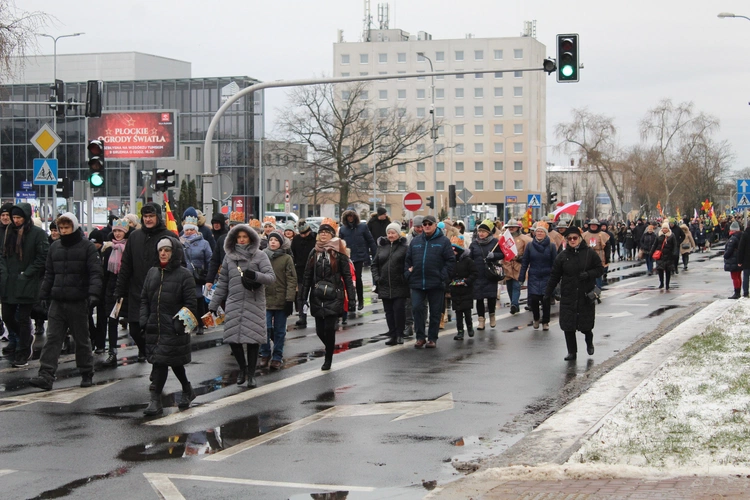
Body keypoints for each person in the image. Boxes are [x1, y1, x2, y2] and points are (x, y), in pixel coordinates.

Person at [29, 213, 102, 390]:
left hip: (78, 300)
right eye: (61, 228)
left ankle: (86, 371)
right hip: (58, 301)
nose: (63, 231)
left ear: (74, 227)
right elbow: (49, 274)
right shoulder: (55, 248)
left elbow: (95, 272)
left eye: (66, 228)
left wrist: (93, 294)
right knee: (52, 338)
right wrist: (43, 295)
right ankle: (46, 374)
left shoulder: (87, 247)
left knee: (81, 339)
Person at [209, 224, 276, 387]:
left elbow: (271, 278)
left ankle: (251, 374)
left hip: (254, 302)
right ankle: (243, 368)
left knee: (253, 341)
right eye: (239, 237)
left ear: (251, 238)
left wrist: (256, 275)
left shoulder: (260, 256)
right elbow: (223, 282)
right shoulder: (229, 257)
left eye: (244, 237)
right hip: (234, 302)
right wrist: (214, 304)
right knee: (233, 339)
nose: (241, 240)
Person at [140, 236, 197, 415]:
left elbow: (190, 304)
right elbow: (144, 298)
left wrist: (178, 324)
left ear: (175, 253)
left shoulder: (184, 275)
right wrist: (143, 319)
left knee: (161, 362)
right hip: (154, 327)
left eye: (167, 250)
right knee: (171, 361)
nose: (163, 253)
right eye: (161, 250)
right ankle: (187, 389)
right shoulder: (152, 273)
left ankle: (155, 400)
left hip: (173, 328)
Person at [114, 203, 175, 362]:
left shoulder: (168, 237)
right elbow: (126, 264)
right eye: (145, 216)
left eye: (151, 216)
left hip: (160, 292)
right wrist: (119, 290)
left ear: (158, 217)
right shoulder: (135, 236)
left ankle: (156, 367)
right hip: (137, 292)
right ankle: (149, 354)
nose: (148, 219)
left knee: (156, 333)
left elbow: (177, 265)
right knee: (135, 330)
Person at [301, 219, 356, 370]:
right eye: (321, 232)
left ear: (332, 235)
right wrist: (303, 298)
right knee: (319, 330)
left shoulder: (338, 251)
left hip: (334, 296)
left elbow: (347, 277)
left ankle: (328, 358)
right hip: (317, 295)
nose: (323, 235)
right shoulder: (314, 251)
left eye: (326, 232)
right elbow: (307, 276)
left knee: (329, 329)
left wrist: (351, 298)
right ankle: (330, 348)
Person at [0, 203, 49, 368]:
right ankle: (25, 338)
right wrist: (4, 273)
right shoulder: (8, 232)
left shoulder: (37, 234)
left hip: (27, 282)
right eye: (14, 217)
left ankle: (22, 350)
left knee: (23, 318)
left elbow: (42, 256)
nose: (16, 220)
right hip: (9, 282)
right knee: (7, 316)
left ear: (26, 217)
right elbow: (2, 255)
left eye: (19, 217)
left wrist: (27, 273)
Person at [544, 226, 604, 361]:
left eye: (574, 238)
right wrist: (548, 293)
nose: (572, 240)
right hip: (568, 295)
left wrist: (588, 274)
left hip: (585, 295)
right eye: (569, 238)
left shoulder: (589, 253)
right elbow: (554, 276)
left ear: (580, 238)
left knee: (586, 326)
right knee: (568, 326)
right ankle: (572, 352)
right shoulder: (562, 256)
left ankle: (589, 342)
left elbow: (600, 269)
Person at [405, 215, 454, 348]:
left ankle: (432, 338)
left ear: (435, 225)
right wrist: (408, 273)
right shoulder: (416, 241)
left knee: (435, 311)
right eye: (424, 224)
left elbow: (450, 261)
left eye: (429, 224)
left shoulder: (443, 241)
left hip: (435, 282)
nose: (426, 226)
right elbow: (408, 259)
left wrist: (442, 275)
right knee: (417, 309)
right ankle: (420, 337)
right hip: (417, 281)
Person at [260, 231, 296, 370]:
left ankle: (277, 357)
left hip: (281, 299)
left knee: (280, 331)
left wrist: (289, 299)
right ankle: (265, 353)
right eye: (271, 239)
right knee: (265, 328)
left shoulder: (287, 258)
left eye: (276, 240)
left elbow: (291, 279)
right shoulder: (262, 256)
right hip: (264, 299)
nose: (273, 242)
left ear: (281, 243)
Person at [371, 222, 409, 345]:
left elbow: (409, 264)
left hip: (399, 284)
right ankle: (392, 334)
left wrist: (404, 276)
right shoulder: (382, 247)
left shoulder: (404, 248)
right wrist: (377, 278)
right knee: (389, 312)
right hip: (384, 284)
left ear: (398, 234)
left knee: (399, 310)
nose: (391, 235)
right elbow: (374, 264)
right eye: (389, 233)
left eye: (393, 233)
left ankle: (400, 334)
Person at [101, 219, 130, 367]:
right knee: (111, 320)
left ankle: (143, 350)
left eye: (120, 231)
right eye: (116, 231)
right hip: (111, 288)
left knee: (133, 320)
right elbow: (105, 272)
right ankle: (112, 351)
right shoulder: (108, 249)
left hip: (127, 288)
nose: (118, 234)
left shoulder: (130, 248)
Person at [519, 224, 558, 331]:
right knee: (534, 300)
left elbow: (555, 263)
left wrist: (556, 277)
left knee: (545, 300)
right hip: (534, 276)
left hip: (547, 276)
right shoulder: (530, 246)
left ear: (546, 234)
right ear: (534, 233)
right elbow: (525, 262)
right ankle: (536, 318)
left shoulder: (551, 246)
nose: (539, 233)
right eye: (538, 231)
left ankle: (545, 321)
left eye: (542, 232)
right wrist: (521, 277)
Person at [339, 210, 376, 311]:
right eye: (348, 216)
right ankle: (351, 301)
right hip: (347, 257)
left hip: (359, 256)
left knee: (358, 278)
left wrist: (374, 254)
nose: (350, 218)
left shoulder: (362, 227)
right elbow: (340, 244)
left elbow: (370, 240)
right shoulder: (343, 229)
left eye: (352, 216)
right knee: (348, 279)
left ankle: (360, 300)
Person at [181, 215, 212, 335]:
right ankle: (190, 323)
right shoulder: (180, 241)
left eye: (191, 229)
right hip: (184, 276)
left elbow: (209, 259)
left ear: (196, 230)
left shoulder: (204, 243)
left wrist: (210, 276)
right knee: (187, 301)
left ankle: (200, 324)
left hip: (198, 277)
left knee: (199, 301)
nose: (189, 232)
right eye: (187, 229)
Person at [468, 219, 501, 330]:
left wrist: (494, 256)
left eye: (484, 231)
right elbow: (470, 258)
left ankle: (492, 315)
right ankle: (481, 320)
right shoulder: (474, 244)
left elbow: (502, 254)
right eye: (480, 231)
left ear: (489, 233)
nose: (481, 233)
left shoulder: (495, 242)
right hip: (478, 275)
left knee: (491, 297)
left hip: (490, 274)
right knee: (479, 298)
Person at [449, 236, 477, 341]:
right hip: (455, 291)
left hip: (466, 290)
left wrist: (467, 281)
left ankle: (469, 327)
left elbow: (474, 273)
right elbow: (447, 274)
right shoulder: (450, 262)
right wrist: (450, 282)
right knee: (458, 312)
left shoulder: (468, 261)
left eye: (455, 251)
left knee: (467, 311)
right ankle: (460, 331)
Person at [291, 220, 317, 328]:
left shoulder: (315, 238)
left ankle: (319, 315)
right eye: (301, 234)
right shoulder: (296, 240)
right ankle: (302, 317)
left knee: (316, 295)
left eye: (305, 233)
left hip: (314, 269)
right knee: (301, 296)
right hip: (301, 270)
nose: (303, 235)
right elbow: (293, 254)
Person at [500, 219, 529, 315]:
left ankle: (514, 304)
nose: (511, 228)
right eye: (509, 227)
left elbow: (527, 253)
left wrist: (521, 258)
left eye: (513, 226)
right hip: (507, 265)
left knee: (516, 285)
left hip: (518, 265)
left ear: (518, 227)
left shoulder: (525, 239)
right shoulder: (503, 239)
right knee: (509, 286)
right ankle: (514, 303)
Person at [583, 219, 610, 289]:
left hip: (599, 255)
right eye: (592, 225)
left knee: (598, 273)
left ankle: (598, 288)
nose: (593, 226)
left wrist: (607, 257)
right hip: (587, 255)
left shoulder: (603, 235)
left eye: (595, 225)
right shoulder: (584, 235)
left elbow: (607, 247)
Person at [651, 222, 676, 291]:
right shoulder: (658, 235)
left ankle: (667, 284)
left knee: (668, 271)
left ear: (668, 229)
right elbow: (655, 244)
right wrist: (651, 252)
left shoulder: (671, 235)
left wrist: (674, 253)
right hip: (660, 255)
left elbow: (674, 245)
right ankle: (661, 283)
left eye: (666, 228)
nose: (664, 229)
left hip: (669, 255)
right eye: (663, 228)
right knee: (660, 270)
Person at [724, 221, 743, 300]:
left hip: (733, 260)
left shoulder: (733, 238)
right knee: (738, 276)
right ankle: (738, 291)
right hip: (738, 260)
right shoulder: (740, 236)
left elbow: (729, 250)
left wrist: (725, 255)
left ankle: (737, 293)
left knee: (735, 277)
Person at [737, 221, 750, 298]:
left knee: (746, 277)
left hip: (746, 259)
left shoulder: (745, 234)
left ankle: (745, 292)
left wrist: (739, 261)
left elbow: (741, 248)